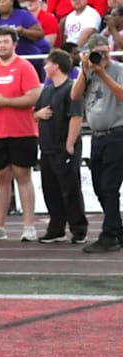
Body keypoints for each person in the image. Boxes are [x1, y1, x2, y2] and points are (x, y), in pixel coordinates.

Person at [0, 26, 42, 243]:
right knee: (0, 178)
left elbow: (33, 97)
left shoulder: (25, 67)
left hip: (22, 131)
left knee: (23, 176)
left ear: (14, 44)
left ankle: (29, 226)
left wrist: (4, 102)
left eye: (6, 41)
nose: (2, 45)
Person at [71, 34, 123, 252]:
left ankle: (110, 234)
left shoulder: (118, 70)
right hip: (97, 135)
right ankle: (117, 229)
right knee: (99, 187)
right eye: (97, 52)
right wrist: (85, 70)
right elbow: (74, 95)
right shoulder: (88, 71)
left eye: (105, 51)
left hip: (118, 134)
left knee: (109, 187)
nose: (102, 56)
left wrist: (102, 72)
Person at [34, 49, 88, 244]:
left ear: (55, 66)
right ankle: (56, 228)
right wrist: (38, 115)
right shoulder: (47, 90)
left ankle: (78, 229)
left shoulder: (71, 88)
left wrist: (69, 145)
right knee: (51, 190)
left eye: (47, 64)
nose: (45, 67)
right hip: (47, 148)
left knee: (70, 189)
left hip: (63, 147)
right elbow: (35, 112)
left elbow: (76, 117)